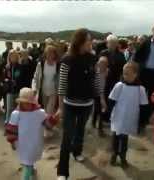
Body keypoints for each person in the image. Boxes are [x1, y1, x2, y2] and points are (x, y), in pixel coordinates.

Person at [56, 29, 104, 180]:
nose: (91, 42)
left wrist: (100, 99)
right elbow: (62, 85)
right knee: (67, 136)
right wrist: (60, 109)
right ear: (80, 42)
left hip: (87, 103)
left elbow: (96, 80)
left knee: (80, 131)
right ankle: (62, 172)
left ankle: (77, 152)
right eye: (89, 40)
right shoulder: (67, 59)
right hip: (70, 104)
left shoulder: (93, 58)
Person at [5, 88, 58, 180]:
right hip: (22, 144)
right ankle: (28, 172)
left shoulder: (39, 113)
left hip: (35, 143)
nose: (27, 104)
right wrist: (12, 141)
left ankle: (30, 169)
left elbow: (48, 124)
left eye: (29, 102)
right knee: (27, 161)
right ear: (20, 102)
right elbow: (11, 129)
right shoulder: (16, 114)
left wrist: (54, 118)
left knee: (29, 160)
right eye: (24, 102)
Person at [107, 62, 148, 168]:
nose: (125, 76)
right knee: (115, 136)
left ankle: (122, 156)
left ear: (135, 74)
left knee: (124, 138)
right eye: (124, 73)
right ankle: (114, 154)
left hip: (130, 117)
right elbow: (112, 100)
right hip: (118, 116)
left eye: (128, 74)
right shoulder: (119, 86)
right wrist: (108, 114)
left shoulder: (140, 89)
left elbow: (144, 106)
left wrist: (142, 122)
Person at [99, 34, 126, 125]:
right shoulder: (103, 53)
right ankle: (102, 116)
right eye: (111, 43)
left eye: (114, 43)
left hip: (116, 79)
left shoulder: (121, 54)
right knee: (104, 96)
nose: (112, 45)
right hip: (104, 78)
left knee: (113, 97)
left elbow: (123, 67)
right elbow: (99, 65)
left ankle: (109, 115)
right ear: (107, 43)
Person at [32, 45, 60, 114]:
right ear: (45, 54)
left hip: (53, 92)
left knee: (49, 111)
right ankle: (47, 123)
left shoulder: (58, 65)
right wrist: (34, 88)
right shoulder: (41, 64)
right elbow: (35, 77)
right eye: (47, 53)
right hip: (43, 91)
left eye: (51, 53)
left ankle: (48, 123)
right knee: (44, 111)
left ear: (54, 54)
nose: (49, 54)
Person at [4, 50, 23, 123]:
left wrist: (17, 82)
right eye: (11, 56)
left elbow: (22, 79)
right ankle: (8, 123)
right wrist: (8, 81)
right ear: (9, 57)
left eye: (15, 56)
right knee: (9, 108)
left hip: (18, 90)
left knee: (17, 109)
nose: (13, 57)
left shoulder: (20, 67)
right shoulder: (7, 67)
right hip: (10, 90)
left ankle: (17, 123)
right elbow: (4, 78)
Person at [92, 56, 108, 137]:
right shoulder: (97, 73)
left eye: (104, 64)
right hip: (97, 94)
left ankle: (94, 123)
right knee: (100, 111)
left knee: (97, 110)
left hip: (103, 94)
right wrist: (102, 98)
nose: (102, 65)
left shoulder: (107, 73)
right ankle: (100, 129)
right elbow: (98, 87)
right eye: (100, 63)